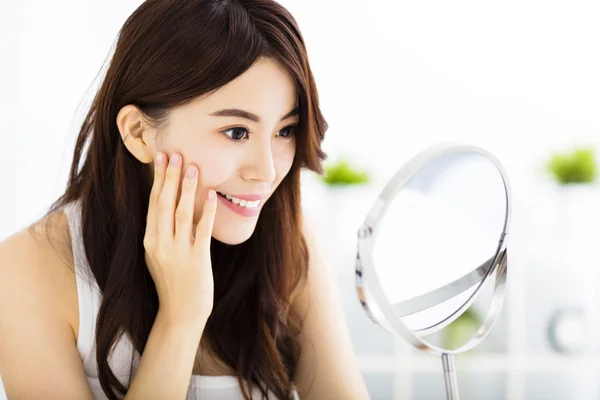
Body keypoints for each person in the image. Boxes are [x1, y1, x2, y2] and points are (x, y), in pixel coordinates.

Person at [0, 0, 370, 399]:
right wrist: (180, 318)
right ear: (139, 132)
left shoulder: (292, 239)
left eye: (286, 130)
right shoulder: (27, 270)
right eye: (236, 132)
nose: (266, 171)